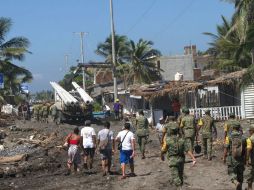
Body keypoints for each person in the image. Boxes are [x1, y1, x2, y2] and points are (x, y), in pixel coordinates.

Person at [161, 121, 196, 190]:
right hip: (181, 160)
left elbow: (163, 150)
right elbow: (187, 150)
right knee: (180, 176)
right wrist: (193, 158)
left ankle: (180, 188)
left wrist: (161, 156)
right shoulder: (182, 140)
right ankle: (180, 187)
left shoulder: (167, 140)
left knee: (175, 177)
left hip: (173, 161)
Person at [224, 122, 246, 190]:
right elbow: (245, 149)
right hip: (241, 158)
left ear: (233, 128)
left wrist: (224, 157)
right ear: (239, 128)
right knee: (240, 174)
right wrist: (246, 159)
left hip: (232, 158)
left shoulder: (229, 137)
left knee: (231, 172)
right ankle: (240, 187)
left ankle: (235, 182)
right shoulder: (243, 138)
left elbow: (226, 148)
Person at [246, 125, 254, 190]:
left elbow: (248, 150)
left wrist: (247, 160)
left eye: (249, 130)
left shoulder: (250, 139)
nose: (249, 132)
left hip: (253, 160)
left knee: (250, 174)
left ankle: (249, 187)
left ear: (252, 131)